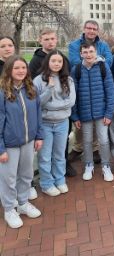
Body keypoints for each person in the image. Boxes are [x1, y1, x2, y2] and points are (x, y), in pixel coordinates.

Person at [0, 56, 43, 229]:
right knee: (8, 178)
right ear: (9, 70)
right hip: (9, 144)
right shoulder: (2, 91)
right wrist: (1, 148)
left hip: (28, 141)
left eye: (23, 68)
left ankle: (23, 203)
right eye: (16, 68)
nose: (20, 71)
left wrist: (39, 136)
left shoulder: (31, 89)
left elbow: (38, 114)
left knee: (26, 175)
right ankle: (9, 209)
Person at [71, 42, 114, 182]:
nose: (88, 54)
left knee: (103, 140)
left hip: (101, 113)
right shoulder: (76, 69)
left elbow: (110, 90)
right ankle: (88, 165)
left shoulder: (103, 67)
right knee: (87, 141)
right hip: (84, 114)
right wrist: (75, 115)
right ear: (81, 54)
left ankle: (106, 166)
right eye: (85, 52)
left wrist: (109, 113)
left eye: (91, 51)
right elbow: (73, 95)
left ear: (96, 52)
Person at [33, 51, 76, 196]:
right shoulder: (39, 80)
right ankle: (46, 183)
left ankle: (59, 179)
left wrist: (51, 105)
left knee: (59, 154)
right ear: (47, 62)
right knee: (45, 156)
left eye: (59, 61)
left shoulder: (68, 80)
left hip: (62, 123)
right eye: (53, 61)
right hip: (44, 124)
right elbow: (37, 102)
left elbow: (71, 102)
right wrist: (50, 88)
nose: (56, 64)